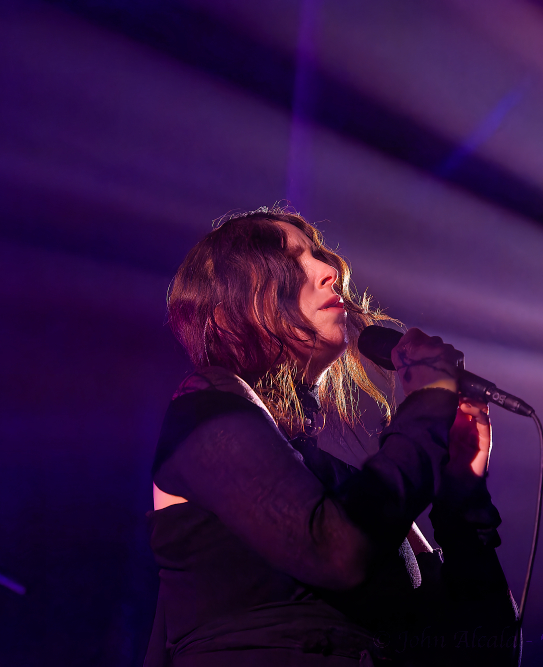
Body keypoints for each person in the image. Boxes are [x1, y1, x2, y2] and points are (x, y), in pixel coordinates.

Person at [144, 206, 519, 667]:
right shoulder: (204, 409)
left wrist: (461, 492)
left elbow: (484, 654)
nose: (329, 270)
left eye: (321, 255)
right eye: (291, 261)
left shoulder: (347, 489)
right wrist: (423, 410)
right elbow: (335, 550)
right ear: (226, 312)